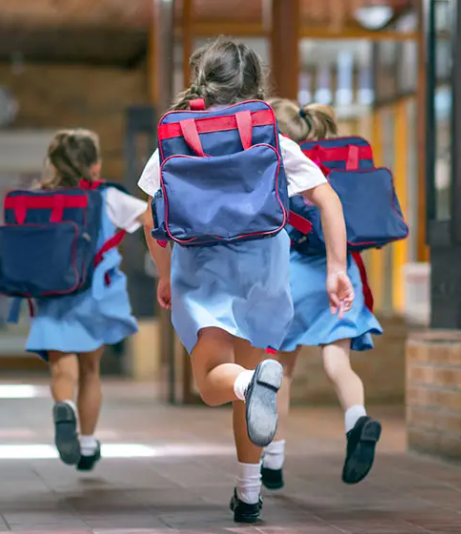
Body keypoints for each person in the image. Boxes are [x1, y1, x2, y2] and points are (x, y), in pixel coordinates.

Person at [138, 38, 354, 523]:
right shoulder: (271, 136)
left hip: (202, 269)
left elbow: (151, 215)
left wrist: (166, 272)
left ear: (202, 78)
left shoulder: (176, 136)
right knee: (253, 385)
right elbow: (328, 199)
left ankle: (248, 384)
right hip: (264, 269)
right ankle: (249, 492)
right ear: (255, 81)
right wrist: (337, 268)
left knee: (215, 381)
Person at [262, 98, 384, 490]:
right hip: (341, 271)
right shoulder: (333, 164)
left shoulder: (281, 162)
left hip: (295, 274)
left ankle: (273, 460)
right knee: (337, 362)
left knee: (282, 370)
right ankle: (357, 419)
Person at [25, 129, 148, 472]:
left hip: (53, 294)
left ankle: (64, 405)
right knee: (91, 369)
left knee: (62, 366)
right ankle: (89, 443)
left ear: (55, 164)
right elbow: (151, 219)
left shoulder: (39, 197)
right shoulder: (108, 197)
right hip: (96, 294)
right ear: (94, 166)